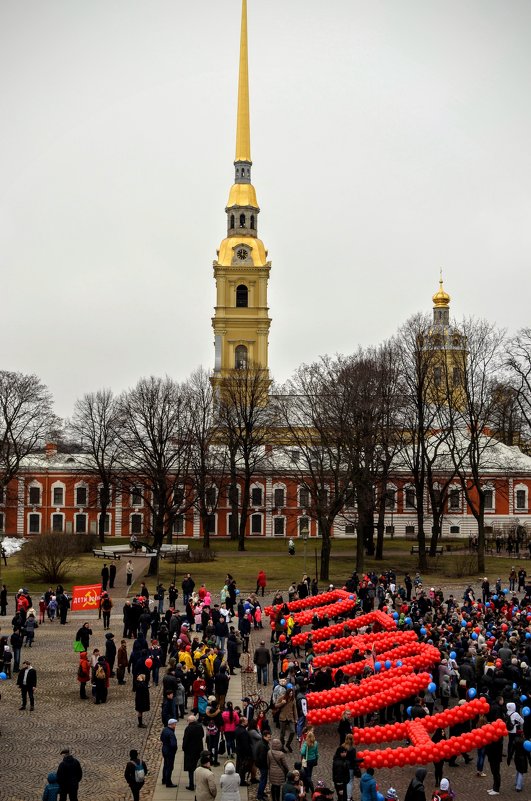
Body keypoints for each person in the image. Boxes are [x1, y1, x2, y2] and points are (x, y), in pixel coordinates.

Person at [183, 713, 205, 790]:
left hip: (190, 751)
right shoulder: (200, 727)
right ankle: (200, 784)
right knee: (199, 767)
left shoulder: (188, 729)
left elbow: (185, 740)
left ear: (189, 721)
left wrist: (184, 748)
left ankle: (191, 784)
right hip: (199, 749)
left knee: (191, 769)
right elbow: (202, 735)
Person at [160, 718, 178, 788]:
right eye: (175, 724)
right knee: (170, 767)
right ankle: (168, 782)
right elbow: (173, 744)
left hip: (164, 749)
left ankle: (164, 779)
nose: (175, 725)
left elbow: (161, 738)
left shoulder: (165, 730)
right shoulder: (171, 733)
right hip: (170, 752)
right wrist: (174, 750)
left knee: (165, 765)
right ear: (172, 724)